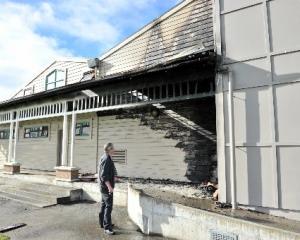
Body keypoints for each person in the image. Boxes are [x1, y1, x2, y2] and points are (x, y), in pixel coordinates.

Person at [98, 143, 117, 235]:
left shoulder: (105, 157)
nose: (114, 150)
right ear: (109, 149)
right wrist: (110, 187)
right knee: (108, 206)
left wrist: (114, 176)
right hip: (106, 187)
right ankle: (107, 227)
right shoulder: (106, 159)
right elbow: (104, 176)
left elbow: (107, 172)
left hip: (103, 186)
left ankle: (102, 223)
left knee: (103, 204)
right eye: (113, 148)